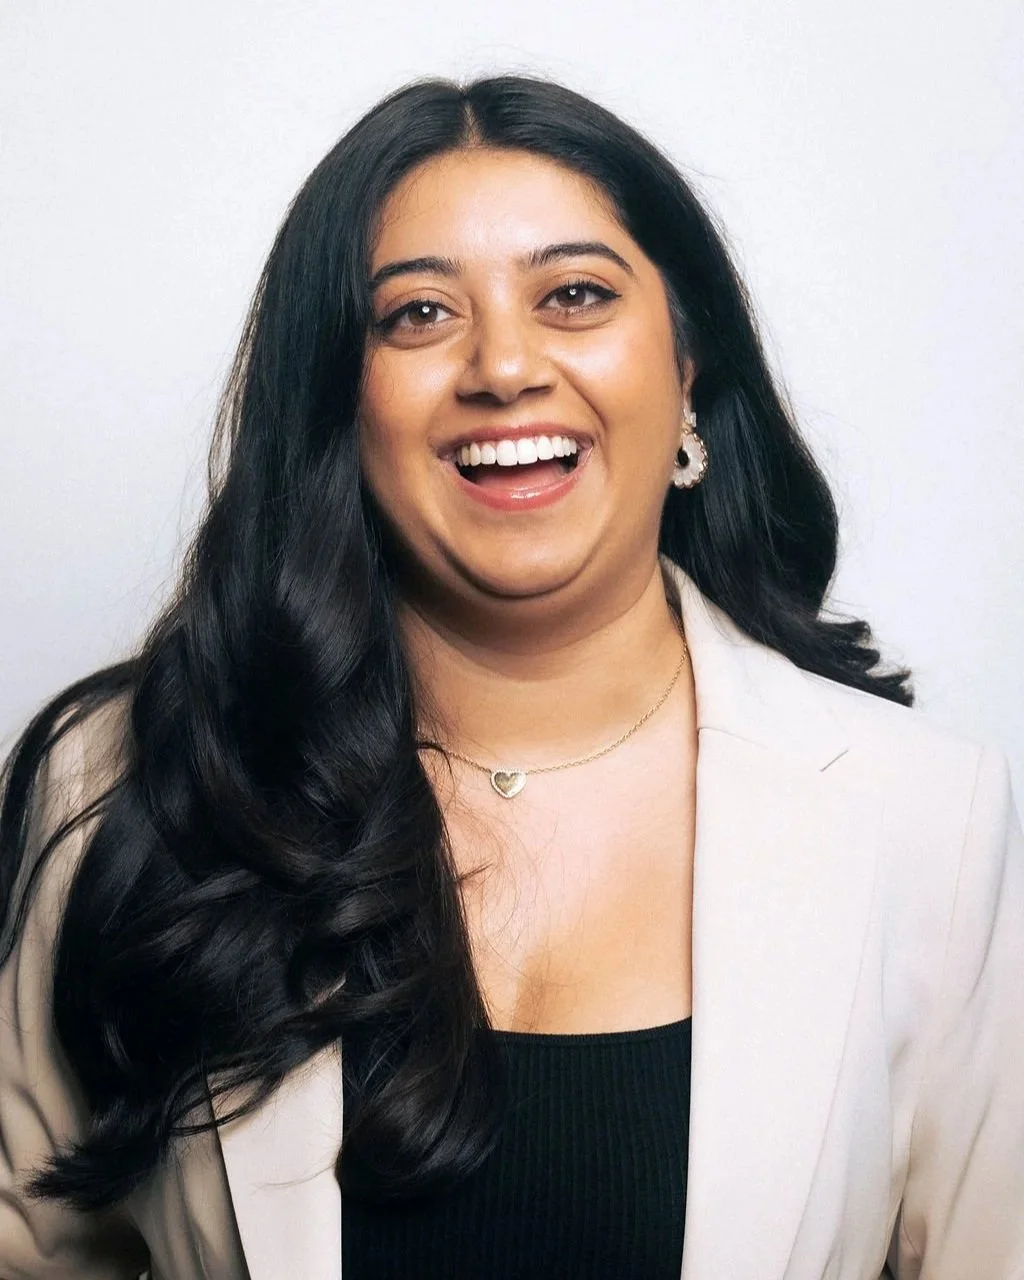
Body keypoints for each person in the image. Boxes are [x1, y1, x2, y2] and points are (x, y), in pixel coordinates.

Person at [0, 72, 1021, 1280]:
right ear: (340, 397)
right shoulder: (129, 782)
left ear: (686, 366)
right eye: (418, 315)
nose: (502, 365)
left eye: (575, 294)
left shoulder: (924, 818)